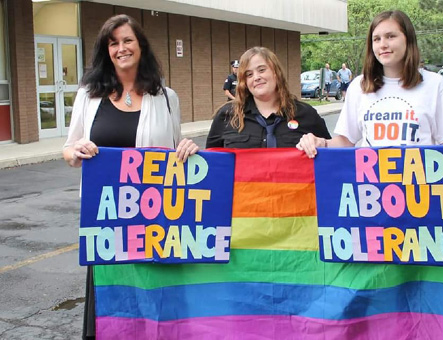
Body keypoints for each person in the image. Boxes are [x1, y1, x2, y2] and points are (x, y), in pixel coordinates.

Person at [62, 14, 198, 339]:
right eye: (114, 43)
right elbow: (68, 151)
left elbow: (174, 152)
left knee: (152, 299)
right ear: (106, 50)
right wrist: (76, 151)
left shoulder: (166, 97)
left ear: (140, 46)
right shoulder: (88, 96)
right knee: (111, 304)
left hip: (153, 219)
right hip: (107, 219)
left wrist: (188, 148)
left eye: (127, 41)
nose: (121, 48)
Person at [297, 10, 443, 165]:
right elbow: (346, 140)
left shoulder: (434, 84)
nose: (383, 44)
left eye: (391, 36)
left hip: (420, 191)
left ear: (408, 40)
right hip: (371, 192)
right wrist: (320, 142)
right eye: (376, 39)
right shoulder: (359, 86)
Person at [206, 46, 331, 148]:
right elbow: (210, 165)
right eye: (249, 74)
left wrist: (322, 144)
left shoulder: (306, 114)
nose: (256, 77)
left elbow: (333, 160)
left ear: (276, 73)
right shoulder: (227, 115)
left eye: (261, 70)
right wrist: (190, 154)